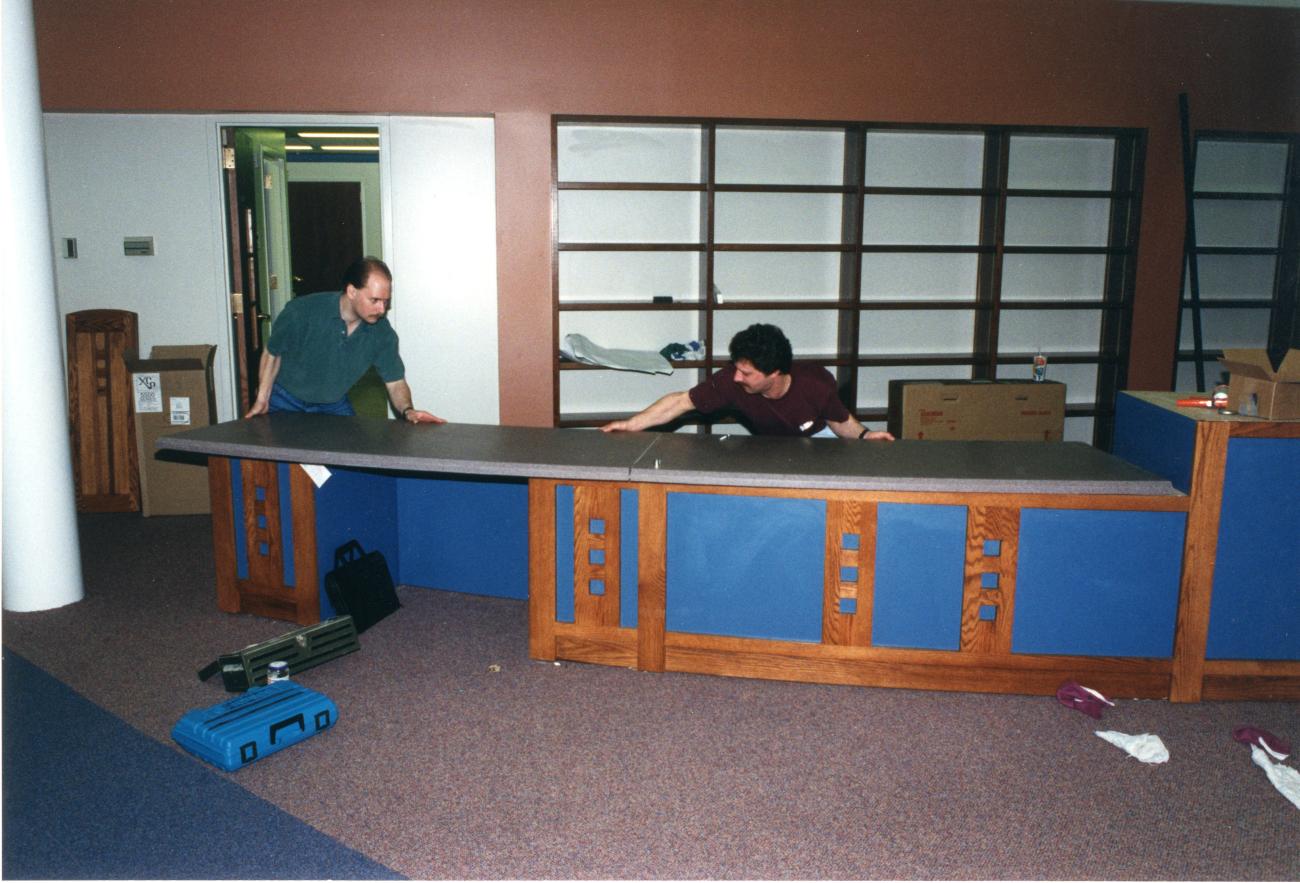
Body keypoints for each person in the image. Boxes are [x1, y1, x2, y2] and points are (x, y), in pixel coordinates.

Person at [601, 323, 894, 440]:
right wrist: (631, 424)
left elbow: (840, 422)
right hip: (771, 447)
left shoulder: (816, 384)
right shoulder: (731, 381)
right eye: (736, 368)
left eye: (747, 373)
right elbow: (679, 402)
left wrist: (867, 437)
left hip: (818, 442)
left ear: (774, 373)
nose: (737, 377)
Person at [243, 257, 443, 424]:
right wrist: (262, 398)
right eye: (374, 300)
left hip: (333, 404)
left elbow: (395, 382)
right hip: (286, 399)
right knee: (282, 467)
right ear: (352, 292)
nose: (382, 310)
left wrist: (408, 411)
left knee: (354, 462)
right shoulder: (301, 312)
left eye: (386, 301)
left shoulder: (382, 334)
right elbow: (272, 353)